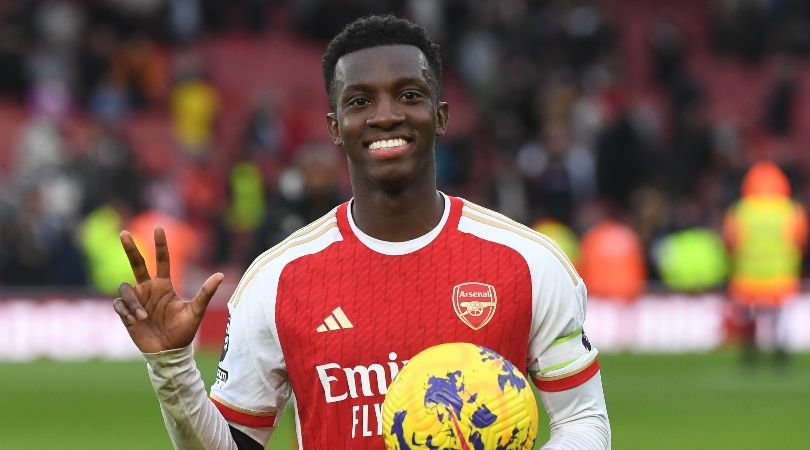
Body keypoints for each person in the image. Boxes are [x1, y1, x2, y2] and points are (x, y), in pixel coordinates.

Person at [113, 15, 610, 449]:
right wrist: (173, 368)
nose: (386, 114)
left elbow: (584, 421)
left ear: (440, 117)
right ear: (334, 127)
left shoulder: (528, 262)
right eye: (360, 101)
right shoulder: (277, 280)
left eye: (409, 95)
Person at [723, 160, 807, 369]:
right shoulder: (791, 211)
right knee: (779, 319)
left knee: (748, 318)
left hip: (747, 277)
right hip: (780, 277)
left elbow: (730, 242)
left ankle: (749, 356)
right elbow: (800, 242)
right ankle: (780, 356)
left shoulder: (741, 211)